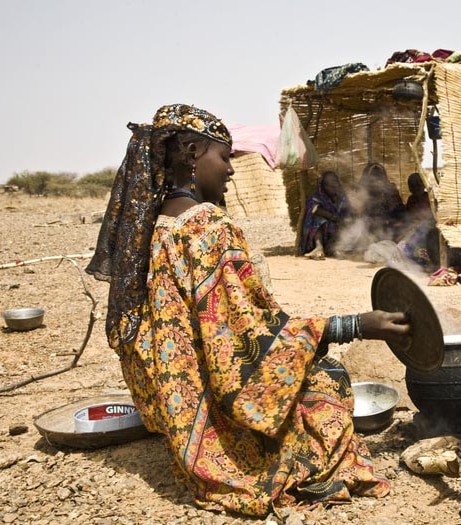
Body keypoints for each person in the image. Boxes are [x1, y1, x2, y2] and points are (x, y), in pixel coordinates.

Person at [85, 104, 410, 517]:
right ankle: (270, 462)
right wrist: (355, 325)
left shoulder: (156, 221)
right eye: (224, 157)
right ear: (190, 153)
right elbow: (250, 340)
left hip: (181, 408)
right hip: (217, 407)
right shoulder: (208, 226)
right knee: (328, 379)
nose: (231, 170)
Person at [300, 170, 349, 259]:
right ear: (323, 186)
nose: (332, 186)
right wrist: (332, 217)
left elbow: (348, 212)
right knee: (319, 220)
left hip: (339, 228)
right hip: (322, 229)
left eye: (335, 183)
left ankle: (335, 248)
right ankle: (319, 247)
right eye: (328, 184)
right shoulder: (316, 197)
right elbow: (315, 210)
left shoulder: (342, 197)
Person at [357, 162, 406, 241]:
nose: (376, 179)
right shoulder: (362, 191)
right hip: (368, 228)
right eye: (373, 176)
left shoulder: (391, 190)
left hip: (389, 226)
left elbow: (400, 212)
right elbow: (358, 213)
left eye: (379, 176)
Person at [398, 172, 438, 268]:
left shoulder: (429, 198)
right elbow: (407, 216)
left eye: (417, 185)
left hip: (426, 228)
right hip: (413, 228)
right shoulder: (411, 199)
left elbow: (433, 216)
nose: (414, 188)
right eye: (412, 186)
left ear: (422, 185)